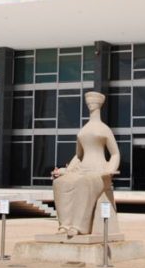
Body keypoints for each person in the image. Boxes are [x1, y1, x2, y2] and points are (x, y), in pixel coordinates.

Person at [50, 91, 120, 237]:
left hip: (99, 172)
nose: (91, 104)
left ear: (100, 104)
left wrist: (110, 170)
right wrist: (67, 170)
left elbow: (115, 154)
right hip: (82, 170)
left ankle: (79, 226)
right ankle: (65, 225)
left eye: (93, 101)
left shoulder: (105, 129)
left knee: (84, 183)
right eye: (88, 101)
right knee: (60, 183)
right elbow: (78, 155)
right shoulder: (83, 130)